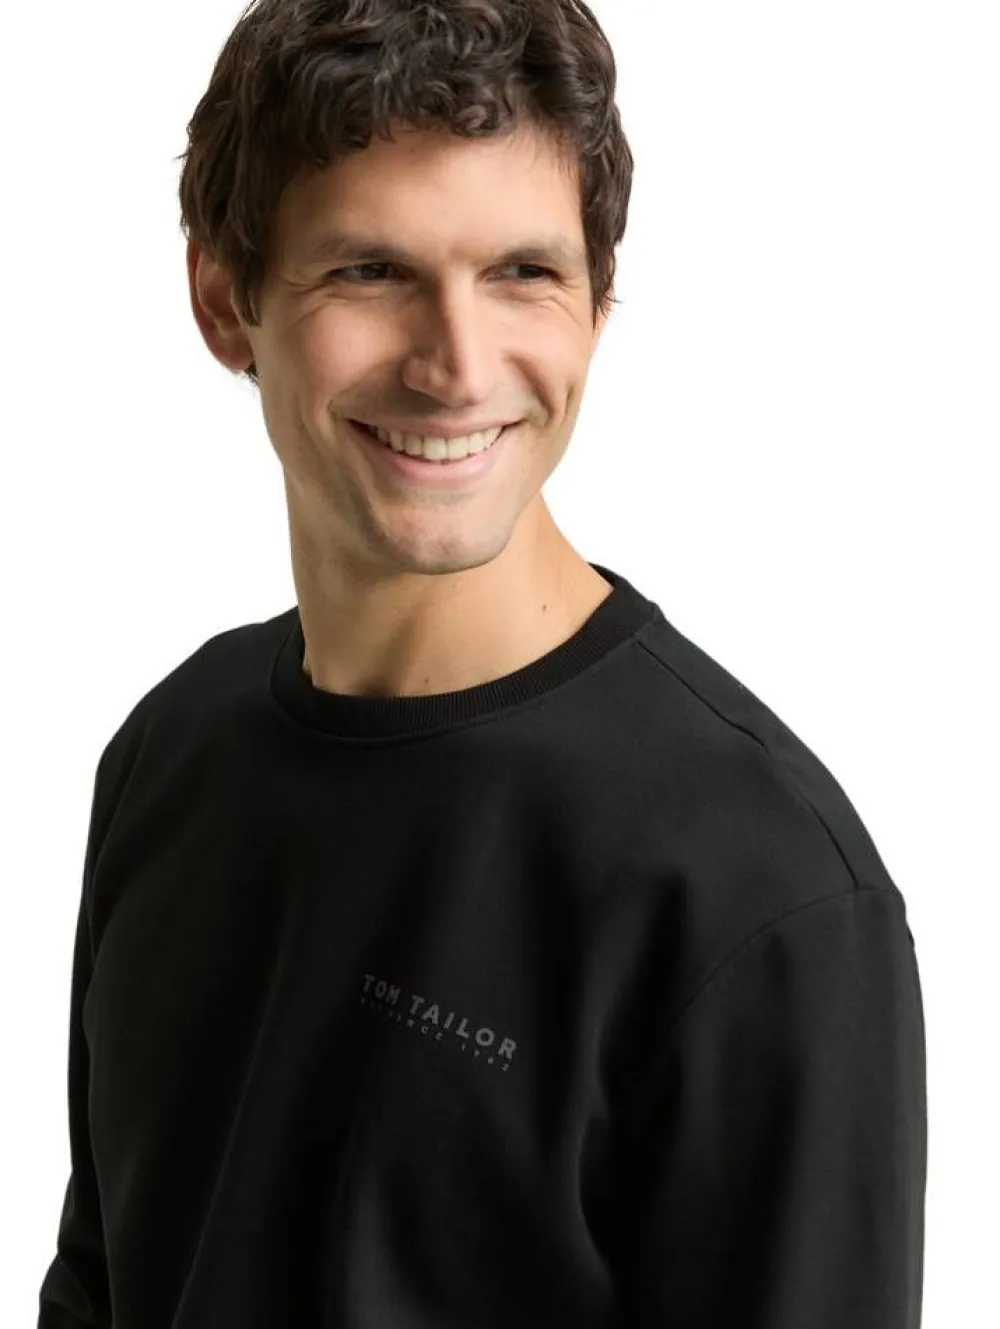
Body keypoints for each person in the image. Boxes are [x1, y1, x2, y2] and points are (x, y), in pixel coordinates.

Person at [37, 1, 927, 1326]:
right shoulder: (171, 754)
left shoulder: (760, 891)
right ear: (226, 301)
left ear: (598, 301)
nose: (457, 367)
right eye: (370, 271)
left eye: (523, 271)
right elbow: (103, 1286)